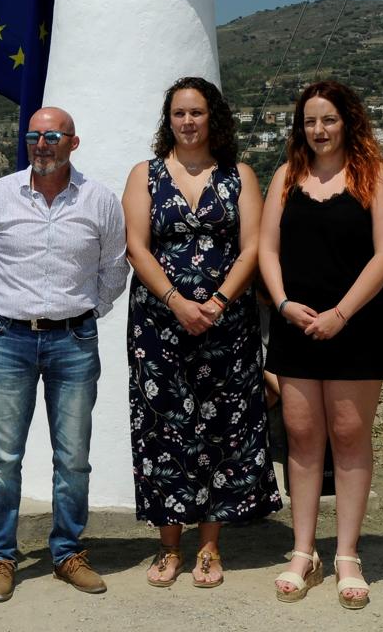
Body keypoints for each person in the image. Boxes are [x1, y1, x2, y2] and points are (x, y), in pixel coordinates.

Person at [0, 107, 129, 603]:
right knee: (3, 459)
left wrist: (84, 313)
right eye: (33, 135)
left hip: (73, 341)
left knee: (73, 458)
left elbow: (115, 268)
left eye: (51, 135)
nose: (41, 143)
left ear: (72, 143)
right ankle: (0, 557)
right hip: (8, 339)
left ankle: (67, 553)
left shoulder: (99, 200)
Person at [122, 77, 281, 589]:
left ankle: (209, 546)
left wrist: (212, 304)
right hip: (158, 325)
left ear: (213, 118)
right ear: (167, 121)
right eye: (178, 114)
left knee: (221, 433)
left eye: (196, 112)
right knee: (162, 430)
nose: (187, 122)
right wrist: (176, 301)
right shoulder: (144, 175)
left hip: (226, 324)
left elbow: (253, 247)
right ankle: (169, 547)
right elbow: (137, 247)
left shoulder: (241, 176)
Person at [260, 80, 383, 609]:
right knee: (300, 437)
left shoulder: (376, 176)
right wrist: (281, 304)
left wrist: (342, 315)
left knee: (348, 434)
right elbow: (267, 251)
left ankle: (346, 555)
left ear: (348, 122)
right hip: (298, 324)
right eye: (309, 122)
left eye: (329, 120)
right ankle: (302, 552)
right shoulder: (285, 177)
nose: (318, 130)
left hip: (357, 324)